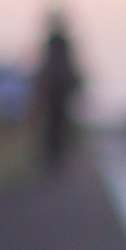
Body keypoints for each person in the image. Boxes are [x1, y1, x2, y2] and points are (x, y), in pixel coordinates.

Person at [34, 10, 82, 172]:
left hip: (58, 89)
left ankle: (54, 156)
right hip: (56, 89)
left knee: (57, 124)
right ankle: (52, 156)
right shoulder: (55, 42)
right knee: (54, 124)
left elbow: (64, 64)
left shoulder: (58, 43)